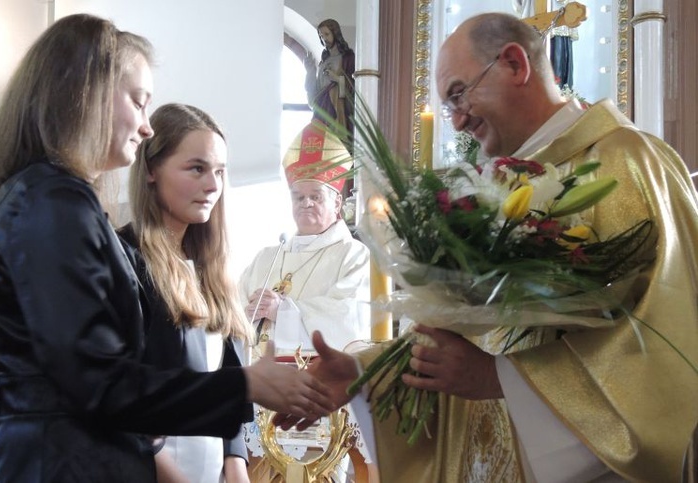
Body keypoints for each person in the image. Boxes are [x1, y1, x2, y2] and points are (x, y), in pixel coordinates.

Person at [275, 12, 698, 482]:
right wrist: (363, 371)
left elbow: (671, 335)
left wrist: (499, 379)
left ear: (515, 64)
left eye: (459, 93)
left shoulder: (630, 161)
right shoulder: (490, 188)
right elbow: (470, 336)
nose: (456, 121)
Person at [0, 14, 333, 483]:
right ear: (87, 94)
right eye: (139, 103)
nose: (145, 128)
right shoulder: (54, 202)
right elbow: (98, 384)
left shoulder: (48, 198)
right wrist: (244, 385)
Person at [118, 103, 253, 482]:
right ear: (150, 170)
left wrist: (236, 466)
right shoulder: (122, 260)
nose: (213, 185)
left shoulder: (212, 268)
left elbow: (229, 385)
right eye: (197, 168)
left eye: (220, 172)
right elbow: (116, 393)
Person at [238, 121, 369, 358]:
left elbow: (349, 317)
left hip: (317, 382)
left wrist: (283, 311)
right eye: (298, 197)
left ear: (337, 203)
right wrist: (244, 315)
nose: (305, 203)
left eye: (315, 196)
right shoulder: (266, 258)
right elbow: (233, 311)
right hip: (258, 379)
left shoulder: (353, 255)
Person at [304, 19, 355, 152]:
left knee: (336, 148)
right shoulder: (324, 60)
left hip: (338, 110)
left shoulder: (348, 57)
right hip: (321, 109)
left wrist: (337, 79)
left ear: (335, 33)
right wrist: (310, 71)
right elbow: (316, 92)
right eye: (321, 35)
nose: (324, 38)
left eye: (326, 34)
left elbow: (353, 88)